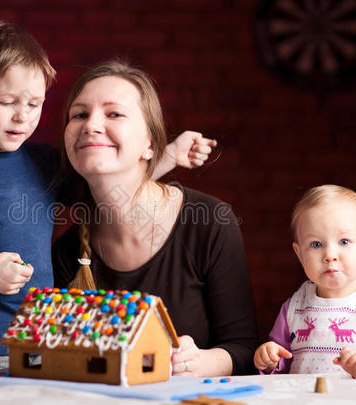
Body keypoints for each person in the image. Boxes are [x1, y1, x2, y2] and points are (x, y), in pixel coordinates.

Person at [0, 22, 216, 368]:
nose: (22, 116)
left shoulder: (43, 162)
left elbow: (103, 198)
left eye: (34, 104)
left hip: (42, 344)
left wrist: (169, 156)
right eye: (7, 102)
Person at [52, 61, 259, 377]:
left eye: (114, 114)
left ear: (150, 144)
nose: (90, 125)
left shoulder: (208, 223)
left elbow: (244, 350)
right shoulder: (69, 252)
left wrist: (203, 361)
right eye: (79, 114)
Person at [253, 185, 356, 378]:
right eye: (316, 244)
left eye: (344, 242)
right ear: (300, 254)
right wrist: (271, 359)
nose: (329, 255)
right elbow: (282, 358)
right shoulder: (295, 305)